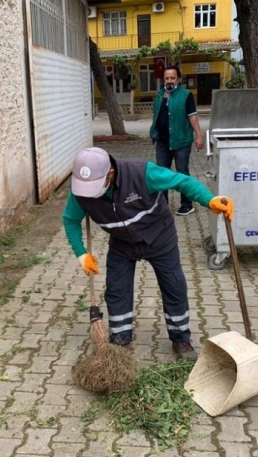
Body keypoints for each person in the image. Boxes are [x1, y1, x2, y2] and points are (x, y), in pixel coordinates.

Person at [63, 147, 234, 361]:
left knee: (174, 285)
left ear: (110, 174)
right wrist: (81, 254)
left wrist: (209, 200)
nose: (88, 193)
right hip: (122, 243)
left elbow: (182, 181)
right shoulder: (82, 191)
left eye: (94, 186)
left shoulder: (142, 173)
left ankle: (181, 338)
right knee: (116, 290)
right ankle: (120, 338)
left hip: (159, 236)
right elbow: (70, 220)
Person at [150, 65, 205, 216]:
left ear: (178, 79)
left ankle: (187, 205)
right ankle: (162, 205)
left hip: (181, 142)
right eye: (167, 78)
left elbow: (192, 116)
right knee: (162, 174)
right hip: (162, 142)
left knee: (182, 173)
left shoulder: (186, 95)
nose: (169, 80)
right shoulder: (159, 95)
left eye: (172, 78)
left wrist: (199, 136)